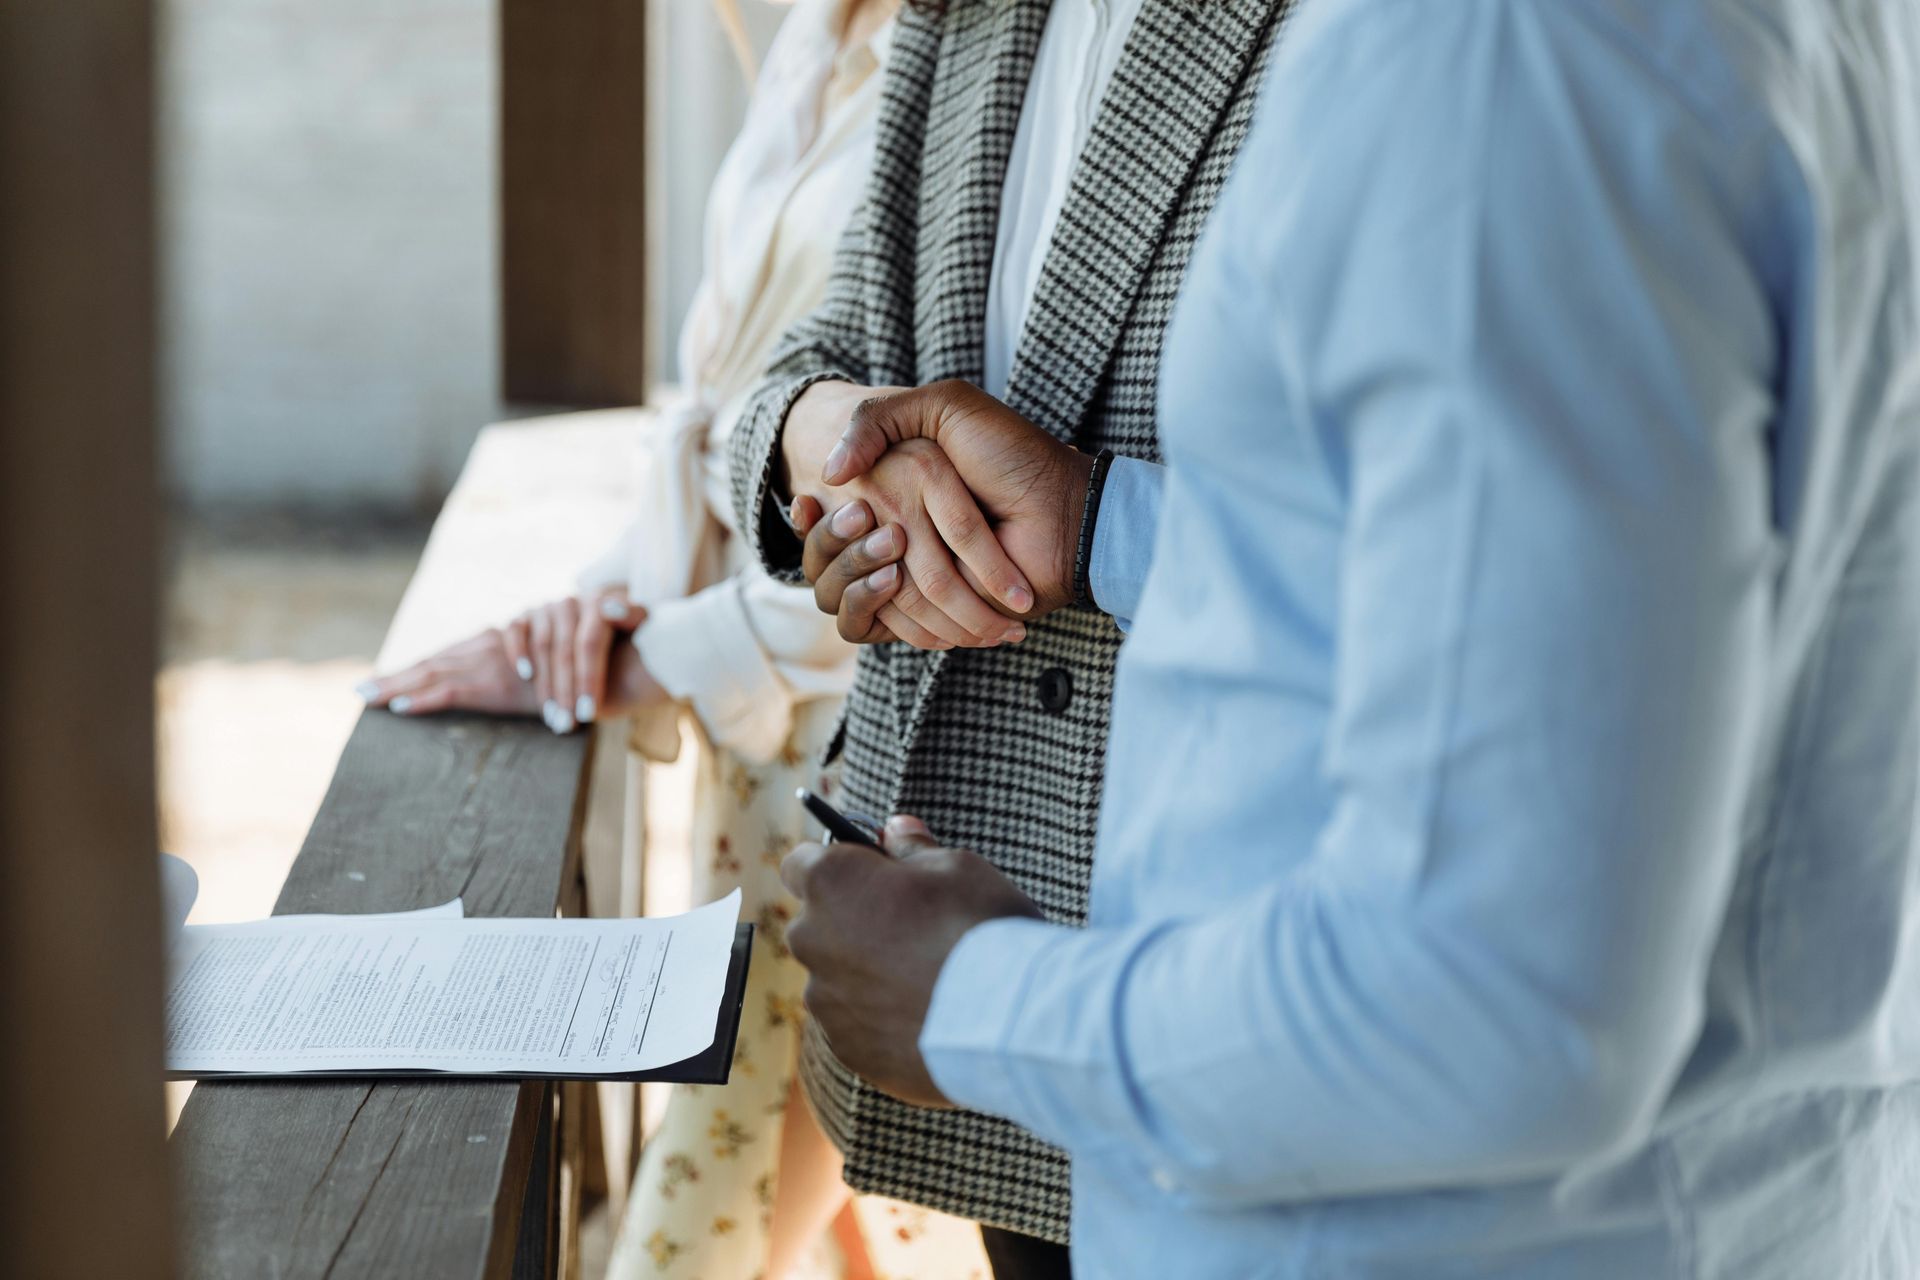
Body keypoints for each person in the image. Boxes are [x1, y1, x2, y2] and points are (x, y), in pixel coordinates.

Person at [779, 0, 1920, 1275]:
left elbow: (1501, 1002)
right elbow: (1497, 580)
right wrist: (1099, 520)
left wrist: (975, 1000)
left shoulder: (1499, 55)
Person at [723, 0, 1294, 1268]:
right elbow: (813, 362)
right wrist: (830, 440)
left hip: (1240, 1006)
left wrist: (1093, 521)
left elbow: (1479, 562)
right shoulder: (964, 21)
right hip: (967, 930)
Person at [362, 0, 908, 1274]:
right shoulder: (812, 46)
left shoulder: (975, 60)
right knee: (788, 1205)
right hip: (755, 738)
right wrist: (613, 598)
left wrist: (652, 650)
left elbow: (923, 514)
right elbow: (726, 407)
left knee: (702, 1227)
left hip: (874, 755)